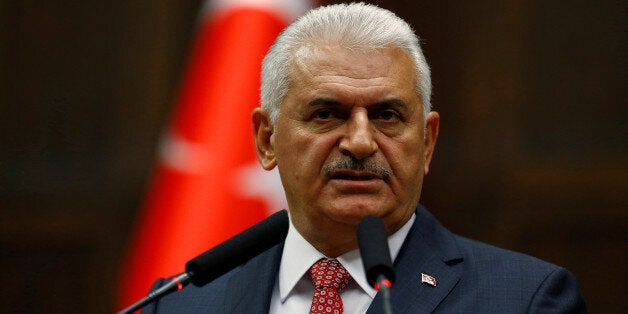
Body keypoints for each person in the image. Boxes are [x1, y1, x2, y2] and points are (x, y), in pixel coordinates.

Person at [142, 3, 586, 313]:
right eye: (326, 114)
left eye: (387, 116)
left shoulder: (524, 300)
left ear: (427, 142)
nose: (359, 142)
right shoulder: (182, 302)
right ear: (267, 140)